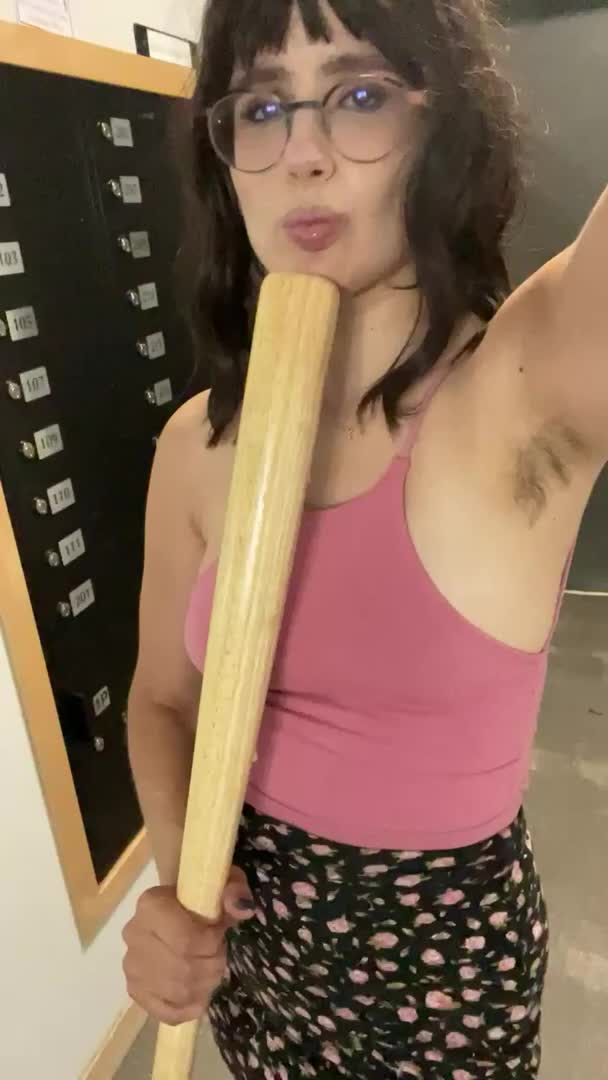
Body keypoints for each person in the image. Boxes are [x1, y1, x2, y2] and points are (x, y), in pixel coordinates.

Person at [122, 1, 607, 1077]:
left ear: (441, 127)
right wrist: (179, 884)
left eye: (356, 95)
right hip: (252, 950)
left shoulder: (523, 392)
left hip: (438, 980)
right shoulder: (194, 445)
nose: (302, 154)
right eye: (260, 108)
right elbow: (160, 699)